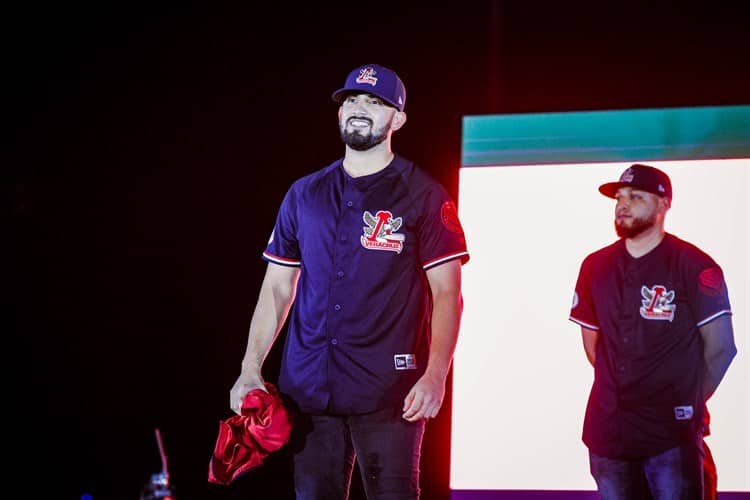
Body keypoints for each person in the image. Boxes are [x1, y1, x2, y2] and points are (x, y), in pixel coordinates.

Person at [229, 63, 469, 499]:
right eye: (352, 100)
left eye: (376, 102)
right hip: (310, 388)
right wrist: (250, 367)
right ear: (340, 114)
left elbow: (448, 293)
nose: (360, 109)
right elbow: (277, 288)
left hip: (391, 391)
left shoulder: (423, 194)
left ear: (397, 119)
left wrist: (436, 375)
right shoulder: (304, 193)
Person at [568, 163, 737, 499]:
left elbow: (721, 348)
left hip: (670, 437)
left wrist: (683, 402)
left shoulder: (694, 264)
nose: (622, 204)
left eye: (635, 196)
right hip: (609, 432)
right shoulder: (595, 266)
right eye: (619, 197)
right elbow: (592, 346)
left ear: (663, 205)